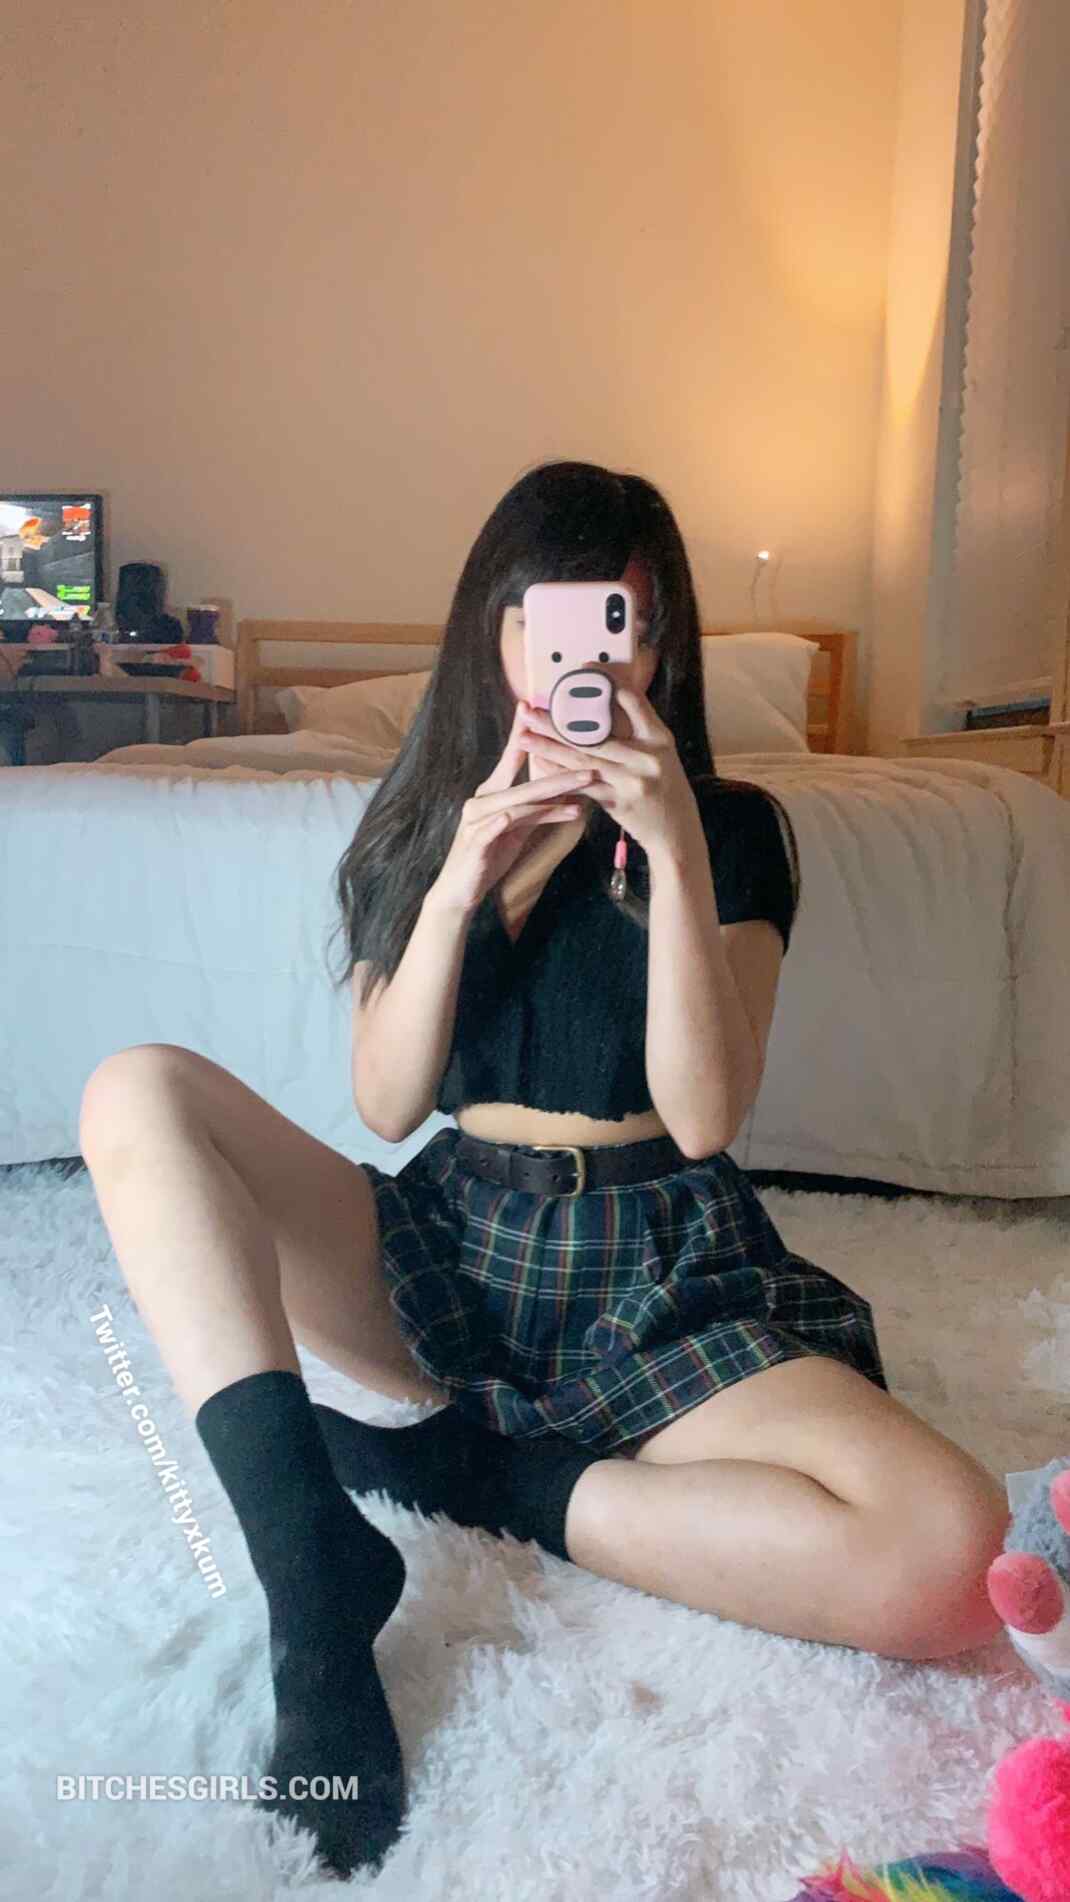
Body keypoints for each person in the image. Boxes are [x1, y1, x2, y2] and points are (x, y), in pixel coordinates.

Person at [79, 460, 1010, 1878]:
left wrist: (673, 851)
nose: (583, 657)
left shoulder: (733, 827)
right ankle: (308, 1569)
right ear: (494, 631)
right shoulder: (418, 824)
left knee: (953, 1553)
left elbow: (705, 1114)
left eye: (618, 622)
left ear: (661, 643)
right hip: (445, 1245)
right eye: (547, 617)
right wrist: (463, 870)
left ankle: (483, 1473)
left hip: (660, 1264)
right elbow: (386, 1098)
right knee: (134, 1088)